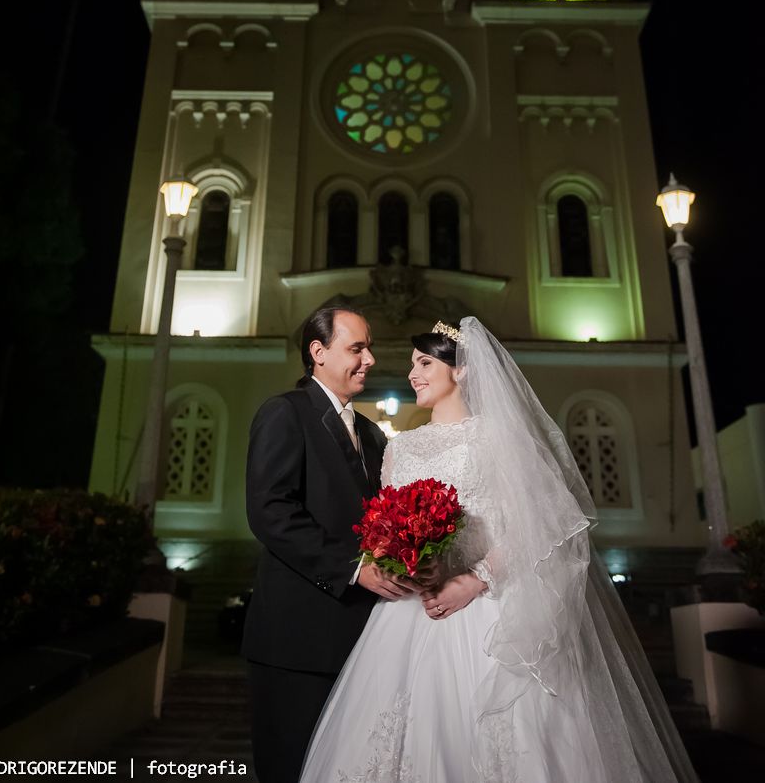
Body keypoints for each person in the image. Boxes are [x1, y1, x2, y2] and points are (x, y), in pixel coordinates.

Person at [300, 317, 699, 783]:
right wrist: (402, 562)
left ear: (462, 369)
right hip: (410, 609)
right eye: (412, 364)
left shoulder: (496, 437)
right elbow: (384, 525)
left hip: (485, 607)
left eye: (425, 363)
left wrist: (475, 580)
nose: (412, 374)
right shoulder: (398, 448)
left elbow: (547, 525)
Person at [242, 305, 418, 783]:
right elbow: (270, 511)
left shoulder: (371, 434)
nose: (370, 359)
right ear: (318, 352)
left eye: (369, 348)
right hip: (296, 639)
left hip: (361, 638)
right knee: (292, 767)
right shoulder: (285, 412)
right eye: (357, 348)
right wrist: (353, 568)